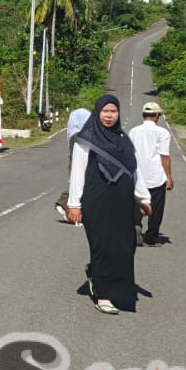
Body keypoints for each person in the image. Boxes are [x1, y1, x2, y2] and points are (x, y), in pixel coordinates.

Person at [68, 94, 151, 314]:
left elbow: (134, 169)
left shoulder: (123, 139)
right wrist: (74, 204)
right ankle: (103, 294)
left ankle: (110, 284)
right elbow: (77, 172)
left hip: (121, 200)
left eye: (113, 111)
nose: (109, 115)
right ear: (97, 112)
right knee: (102, 244)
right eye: (105, 111)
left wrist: (143, 198)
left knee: (124, 245)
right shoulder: (86, 139)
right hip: (96, 200)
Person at [129, 101, 173, 247]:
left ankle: (135, 226)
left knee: (136, 203)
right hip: (155, 175)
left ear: (143, 115)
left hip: (137, 175)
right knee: (156, 208)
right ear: (157, 115)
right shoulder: (162, 133)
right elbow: (164, 156)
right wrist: (168, 177)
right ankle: (151, 237)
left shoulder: (133, 131)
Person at [55, 108, 91, 222]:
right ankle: (63, 203)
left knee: (81, 185)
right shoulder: (79, 136)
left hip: (76, 162)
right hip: (80, 163)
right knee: (81, 184)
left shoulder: (73, 134)